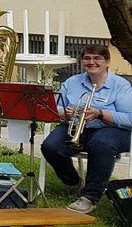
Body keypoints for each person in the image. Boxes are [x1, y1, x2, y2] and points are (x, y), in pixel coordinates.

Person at [41, 45, 132, 214]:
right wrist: (65, 114)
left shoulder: (121, 86)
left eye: (97, 58)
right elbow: (55, 109)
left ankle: (90, 196)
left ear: (107, 62)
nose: (92, 62)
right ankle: (74, 182)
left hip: (111, 129)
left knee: (101, 143)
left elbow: (129, 118)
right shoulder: (72, 82)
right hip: (76, 126)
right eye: (87, 58)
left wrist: (100, 113)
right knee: (50, 146)